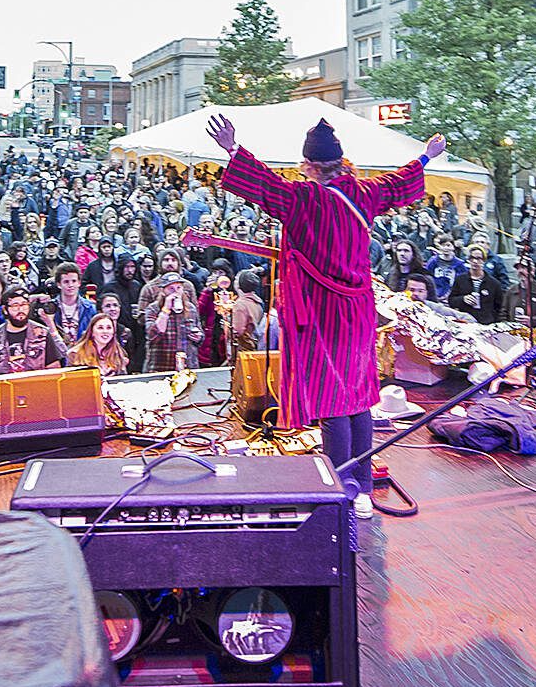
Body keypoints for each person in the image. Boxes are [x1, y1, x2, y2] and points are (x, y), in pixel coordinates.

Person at [209, 112, 443, 519]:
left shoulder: (301, 198)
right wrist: (426, 157)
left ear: (309, 165)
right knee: (360, 400)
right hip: (357, 310)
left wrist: (232, 148)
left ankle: (343, 488)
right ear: (340, 161)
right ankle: (364, 488)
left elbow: (264, 184)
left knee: (334, 402)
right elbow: (398, 183)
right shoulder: (365, 193)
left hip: (320, 312)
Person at [0, 292, 67, 383]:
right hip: (4, 393)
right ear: (5, 309)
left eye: (24, 305)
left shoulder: (42, 334)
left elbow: (54, 368)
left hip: (36, 391)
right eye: (15, 306)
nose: (20, 310)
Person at [142, 271, 203, 372]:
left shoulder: (191, 308)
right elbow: (152, 336)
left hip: (188, 367)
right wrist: (166, 309)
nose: (175, 292)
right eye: (171, 289)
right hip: (161, 367)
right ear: (163, 291)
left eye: (178, 288)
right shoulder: (153, 309)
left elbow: (200, 334)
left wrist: (198, 337)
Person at [448, 244, 504, 325]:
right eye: (472, 258)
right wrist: (463, 299)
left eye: (478, 258)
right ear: (469, 260)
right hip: (465, 323)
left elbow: (499, 307)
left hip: (486, 325)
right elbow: (451, 301)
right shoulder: (460, 279)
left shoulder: (494, 284)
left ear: (484, 260)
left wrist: (491, 320)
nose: (475, 261)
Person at [68, 313, 130, 377]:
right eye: (100, 328)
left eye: (109, 328)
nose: (105, 331)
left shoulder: (118, 354)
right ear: (92, 332)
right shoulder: (75, 354)